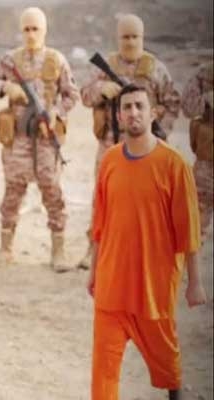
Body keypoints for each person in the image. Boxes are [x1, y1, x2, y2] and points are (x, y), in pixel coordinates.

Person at [87, 84, 207, 400]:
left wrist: (195, 283)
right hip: (112, 286)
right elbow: (100, 223)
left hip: (154, 289)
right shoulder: (110, 161)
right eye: (126, 107)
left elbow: (189, 229)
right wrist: (94, 271)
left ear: (153, 113)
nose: (133, 113)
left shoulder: (174, 164)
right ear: (119, 116)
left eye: (139, 106)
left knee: (168, 366)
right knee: (103, 370)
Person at [77, 14, 180, 269]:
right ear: (118, 38)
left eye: (135, 37)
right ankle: (95, 251)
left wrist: (159, 132)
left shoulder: (155, 68)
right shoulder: (104, 67)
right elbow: (85, 96)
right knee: (103, 199)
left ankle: (150, 253)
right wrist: (101, 90)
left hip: (147, 148)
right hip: (111, 145)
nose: (130, 42)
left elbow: (172, 103)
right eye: (125, 37)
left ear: (142, 38)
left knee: (149, 200)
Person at [0, 7, 79, 271]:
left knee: (52, 192)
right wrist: (6, 87)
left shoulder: (56, 60)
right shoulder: (10, 60)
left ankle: (58, 252)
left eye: (35, 29)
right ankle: (5, 249)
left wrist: (56, 112)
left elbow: (72, 95)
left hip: (46, 139)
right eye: (26, 29)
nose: (31, 34)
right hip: (18, 140)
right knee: (12, 193)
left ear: (44, 30)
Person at [181, 61, 213, 242]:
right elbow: (188, 109)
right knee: (195, 226)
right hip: (206, 162)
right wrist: (207, 99)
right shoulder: (204, 74)